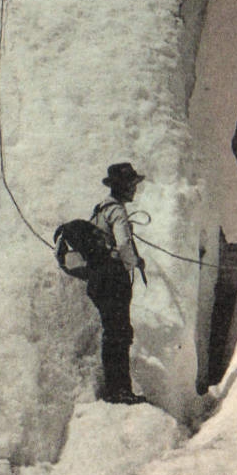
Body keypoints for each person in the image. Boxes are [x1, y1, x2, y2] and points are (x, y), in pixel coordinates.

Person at [87, 162, 148, 405]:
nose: (134, 189)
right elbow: (123, 245)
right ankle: (120, 390)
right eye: (132, 185)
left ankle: (116, 388)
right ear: (122, 187)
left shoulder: (100, 210)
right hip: (113, 278)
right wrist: (133, 262)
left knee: (112, 332)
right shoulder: (118, 211)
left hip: (98, 279)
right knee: (120, 333)